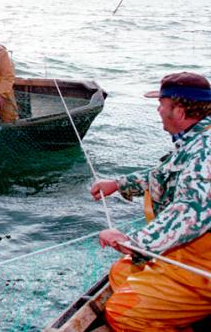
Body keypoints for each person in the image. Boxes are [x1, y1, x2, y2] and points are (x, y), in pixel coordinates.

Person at [90, 72, 211, 331]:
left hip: (203, 268)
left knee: (121, 313)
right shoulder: (195, 139)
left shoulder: (205, 151)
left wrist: (135, 243)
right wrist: (118, 184)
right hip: (187, 253)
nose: (158, 110)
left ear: (178, 111)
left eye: (161, 105)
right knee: (120, 274)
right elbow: (165, 174)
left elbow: (191, 211)